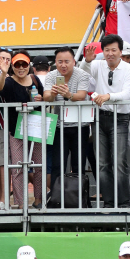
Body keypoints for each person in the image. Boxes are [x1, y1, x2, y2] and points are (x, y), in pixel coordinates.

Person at [82, 35, 130, 207]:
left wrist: (108, 97)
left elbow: (128, 94)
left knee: (119, 162)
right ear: (102, 52)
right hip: (99, 118)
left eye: (114, 50)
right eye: (107, 50)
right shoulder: (97, 65)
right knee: (102, 164)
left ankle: (124, 203)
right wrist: (86, 61)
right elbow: (82, 75)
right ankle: (108, 202)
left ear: (121, 52)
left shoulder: (129, 69)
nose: (110, 54)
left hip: (120, 118)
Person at [0, 50, 44, 209]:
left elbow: (45, 97)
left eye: (24, 64)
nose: (21, 68)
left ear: (29, 65)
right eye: (17, 64)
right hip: (15, 129)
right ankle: (21, 203)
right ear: (12, 66)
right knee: (17, 167)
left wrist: (42, 99)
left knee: (39, 165)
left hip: (36, 127)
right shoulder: (8, 81)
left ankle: (39, 200)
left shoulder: (35, 80)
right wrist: (3, 72)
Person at [43, 46, 89, 187]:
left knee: (79, 165)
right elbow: (46, 97)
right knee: (58, 164)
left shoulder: (82, 74)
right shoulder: (51, 75)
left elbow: (82, 95)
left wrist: (68, 95)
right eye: (60, 61)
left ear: (74, 62)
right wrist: (53, 94)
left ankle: (79, 200)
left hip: (80, 126)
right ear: (55, 62)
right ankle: (58, 200)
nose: (63, 65)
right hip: (59, 126)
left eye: (67, 61)